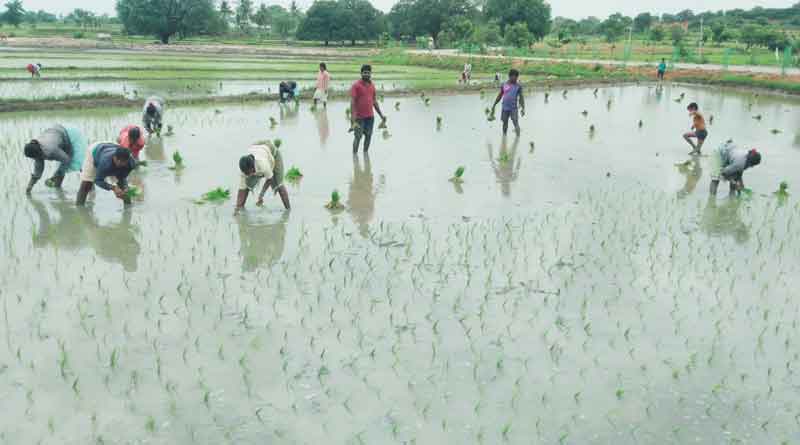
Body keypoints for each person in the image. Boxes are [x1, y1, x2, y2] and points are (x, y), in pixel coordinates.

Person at [24, 125, 86, 193]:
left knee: (80, 163)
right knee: (61, 169)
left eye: (34, 157)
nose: (34, 159)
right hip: (55, 135)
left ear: (39, 153)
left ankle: (90, 188)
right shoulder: (36, 150)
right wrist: (30, 186)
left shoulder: (51, 150)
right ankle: (59, 191)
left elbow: (66, 160)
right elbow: (38, 171)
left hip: (70, 136)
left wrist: (55, 175)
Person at [235, 141, 290, 215]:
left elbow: (270, 179)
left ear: (252, 168)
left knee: (279, 184)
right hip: (257, 147)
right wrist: (237, 209)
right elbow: (241, 190)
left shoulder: (263, 164)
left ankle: (288, 210)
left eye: (248, 173)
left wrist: (261, 195)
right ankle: (241, 209)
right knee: (246, 186)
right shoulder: (244, 170)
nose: (247, 175)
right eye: (246, 173)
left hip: (272, 153)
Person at [350, 65, 386, 154]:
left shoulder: (372, 86)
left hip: (370, 117)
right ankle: (355, 156)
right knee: (358, 137)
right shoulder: (356, 86)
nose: (366, 74)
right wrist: (353, 118)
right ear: (361, 73)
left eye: (368, 73)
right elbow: (352, 102)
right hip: (359, 118)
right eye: (364, 73)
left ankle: (365, 155)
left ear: (370, 74)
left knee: (368, 136)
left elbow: (374, 101)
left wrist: (381, 115)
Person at [491, 69, 526, 135]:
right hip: (505, 107)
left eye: (517, 77)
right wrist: (494, 105)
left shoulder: (518, 86)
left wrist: (523, 108)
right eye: (514, 77)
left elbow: (521, 98)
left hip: (514, 108)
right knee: (504, 123)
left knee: (515, 122)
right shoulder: (504, 85)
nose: (516, 79)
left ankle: (518, 138)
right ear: (510, 76)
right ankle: (504, 137)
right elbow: (500, 95)